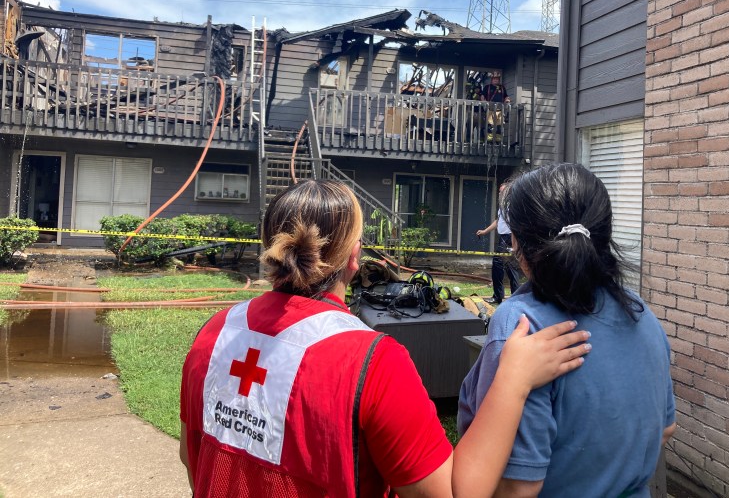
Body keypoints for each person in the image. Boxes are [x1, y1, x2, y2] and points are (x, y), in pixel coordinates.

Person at [179, 179, 591, 498]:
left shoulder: (216, 331)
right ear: (354, 256)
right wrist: (513, 380)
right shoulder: (371, 361)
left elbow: (189, 454)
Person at [459, 164, 676, 497]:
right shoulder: (640, 312)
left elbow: (516, 487)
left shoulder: (520, 324)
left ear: (517, 242)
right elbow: (666, 428)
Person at [477, 181, 520, 304]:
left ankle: (500, 297)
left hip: (510, 237)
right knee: (508, 267)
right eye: (499, 192)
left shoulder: (513, 205)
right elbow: (498, 221)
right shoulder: (503, 206)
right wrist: (485, 231)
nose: (500, 194)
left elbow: (517, 223)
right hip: (503, 237)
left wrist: (515, 242)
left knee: (501, 265)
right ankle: (511, 297)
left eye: (502, 192)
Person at [479, 74, 510, 142]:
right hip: (490, 109)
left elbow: (506, 96)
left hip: (500, 110)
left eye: (497, 79)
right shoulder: (487, 87)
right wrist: (484, 102)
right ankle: (489, 140)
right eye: (494, 79)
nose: (496, 80)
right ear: (492, 80)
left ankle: (498, 140)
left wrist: (507, 99)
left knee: (499, 126)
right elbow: (482, 96)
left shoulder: (502, 88)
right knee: (489, 125)